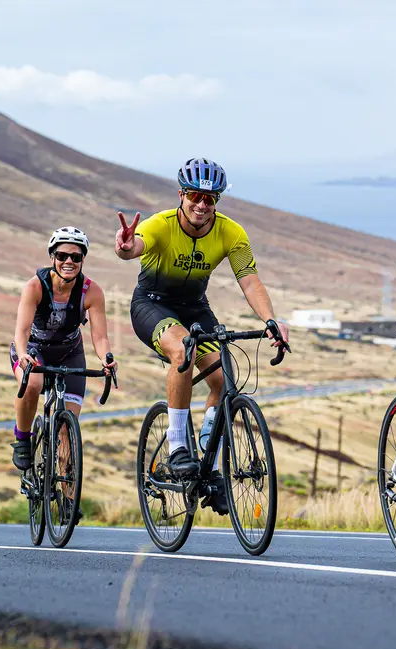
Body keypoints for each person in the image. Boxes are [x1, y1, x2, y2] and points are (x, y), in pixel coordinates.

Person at [114, 157, 289, 515]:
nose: (201, 204)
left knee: (225, 379)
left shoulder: (231, 233)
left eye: (210, 199)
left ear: (217, 202)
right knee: (184, 352)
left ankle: (208, 464)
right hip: (153, 305)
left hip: (195, 307)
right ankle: (178, 445)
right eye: (195, 195)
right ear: (182, 194)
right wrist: (125, 247)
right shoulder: (161, 225)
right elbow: (134, 248)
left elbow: (250, 280)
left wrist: (271, 319)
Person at [10, 226, 119, 483]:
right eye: (62, 256)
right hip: (34, 349)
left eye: (76, 257)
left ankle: (69, 504)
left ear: (83, 260)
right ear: (52, 258)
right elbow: (22, 330)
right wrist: (24, 354)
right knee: (33, 383)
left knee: (68, 436)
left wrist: (106, 359)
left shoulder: (92, 291)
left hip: (69, 352)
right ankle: (23, 439)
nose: (68, 261)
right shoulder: (35, 286)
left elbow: (100, 336)